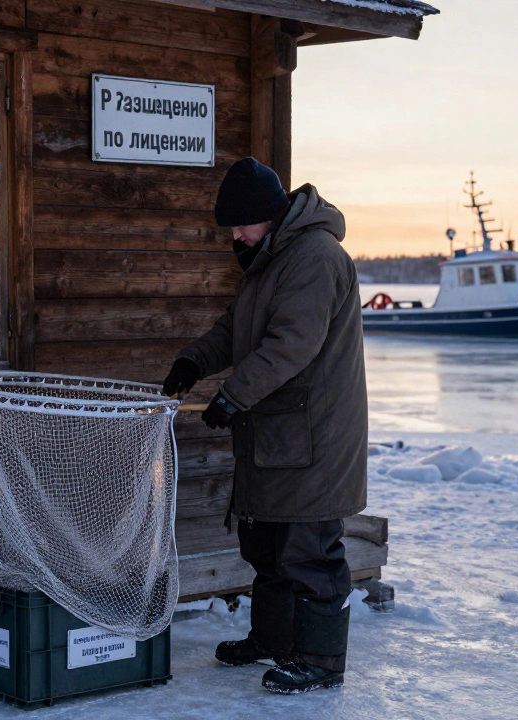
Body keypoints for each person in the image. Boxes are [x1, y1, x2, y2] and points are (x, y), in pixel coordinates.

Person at [162, 157, 368, 694]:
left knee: (309, 550)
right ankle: (276, 641)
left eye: (241, 224)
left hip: (314, 435)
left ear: (270, 214)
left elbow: (290, 345)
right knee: (268, 547)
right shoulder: (270, 257)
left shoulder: (315, 257)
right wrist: (193, 362)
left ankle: (321, 661)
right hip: (278, 433)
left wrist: (233, 396)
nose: (234, 235)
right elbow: (237, 328)